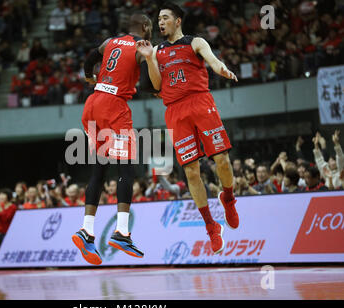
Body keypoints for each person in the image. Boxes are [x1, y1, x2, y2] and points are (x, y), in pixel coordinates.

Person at [136, 2, 239, 254]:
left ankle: (228, 197)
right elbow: (158, 86)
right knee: (191, 172)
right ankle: (211, 226)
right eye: (158, 19)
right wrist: (150, 59)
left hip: (201, 102)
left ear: (177, 21)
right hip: (175, 111)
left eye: (165, 18)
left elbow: (214, 62)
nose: (160, 22)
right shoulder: (157, 50)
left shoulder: (196, 42)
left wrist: (222, 69)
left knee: (222, 160)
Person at [72, 12, 154, 265]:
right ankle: (121, 232)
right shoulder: (142, 47)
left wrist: (89, 76)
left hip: (93, 103)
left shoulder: (110, 42)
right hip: (114, 107)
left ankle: (87, 230)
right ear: (146, 27)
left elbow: (89, 58)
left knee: (99, 169)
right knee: (127, 168)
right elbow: (153, 85)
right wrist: (151, 61)